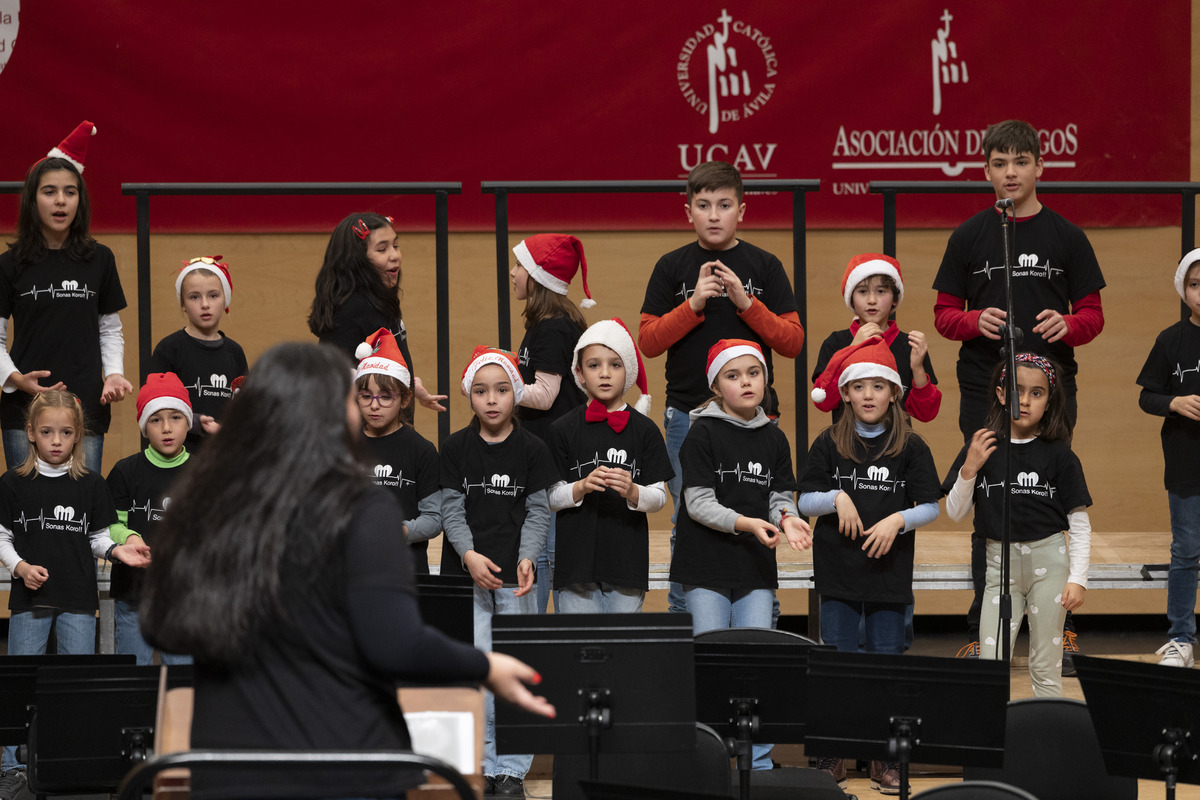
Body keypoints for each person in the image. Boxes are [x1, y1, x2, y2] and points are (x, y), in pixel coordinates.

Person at [138, 342, 554, 800]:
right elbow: (394, 643)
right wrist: (484, 664)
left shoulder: (209, 498)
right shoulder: (357, 506)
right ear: (331, 416)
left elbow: (160, 625)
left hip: (230, 769)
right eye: (351, 398)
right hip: (343, 764)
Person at [931, 120, 1105, 665]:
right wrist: (972, 320)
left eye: (1020, 162)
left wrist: (1068, 328)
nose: (1011, 173)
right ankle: (985, 627)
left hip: (1051, 385)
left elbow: (1094, 316)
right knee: (990, 494)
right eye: (1000, 164)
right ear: (986, 172)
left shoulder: (1067, 237)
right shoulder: (969, 235)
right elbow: (943, 314)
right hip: (984, 383)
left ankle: (1060, 624)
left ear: (1039, 166)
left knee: (1048, 492)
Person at [640, 160, 805, 614]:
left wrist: (746, 303)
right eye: (704, 205)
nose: (714, 215)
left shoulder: (764, 266)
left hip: (754, 423)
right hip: (688, 419)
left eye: (724, 205)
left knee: (756, 506)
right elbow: (648, 343)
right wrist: (693, 303)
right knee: (686, 517)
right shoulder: (672, 266)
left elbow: (792, 342)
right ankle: (685, 617)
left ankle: (760, 611)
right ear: (688, 211)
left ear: (742, 211)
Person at [799, 337, 941, 794]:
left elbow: (931, 506)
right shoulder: (828, 442)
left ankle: (885, 757)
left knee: (887, 668)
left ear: (895, 393)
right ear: (844, 394)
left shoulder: (911, 447)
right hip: (839, 575)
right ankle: (833, 752)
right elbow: (803, 498)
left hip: (888, 577)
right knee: (836, 667)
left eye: (878, 386)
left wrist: (898, 520)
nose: (868, 395)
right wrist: (837, 497)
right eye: (859, 387)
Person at [669, 339, 812, 772]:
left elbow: (779, 495)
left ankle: (759, 763)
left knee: (755, 667)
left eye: (753, 373)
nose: (746, 382)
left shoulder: (774, 436)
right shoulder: (702, 432)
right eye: (733, 375)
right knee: (709, 668)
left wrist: (786, 518)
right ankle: (707, 760)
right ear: (716, 387)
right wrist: (748, 524)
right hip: (705, 568)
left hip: (754, 569)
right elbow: (698, 505)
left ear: (766, 379)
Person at [0, 390, 151, 798]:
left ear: (78, 435)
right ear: (30, 433)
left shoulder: (91, 485)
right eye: (47, 431)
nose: (56, 440)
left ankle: (73, 759)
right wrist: (20, 567)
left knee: (76, 682)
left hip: (78, 602)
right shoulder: (14, 483)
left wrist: (120, 551)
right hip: (29, 603)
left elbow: (99, 537)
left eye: (65, 433)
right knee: (22, 686)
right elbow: (2, 537)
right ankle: (13, 767)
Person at [439, 347, 555, 799]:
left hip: (517, 580)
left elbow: (538, 511)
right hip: (471, 578)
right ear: (470, 395)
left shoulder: (532, 448)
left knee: (516, 674)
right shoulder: (454, 448)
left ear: (516, 394)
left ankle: (511, 771)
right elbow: (451, 509)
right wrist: (468, 555)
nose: (492, 400)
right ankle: (483, 766)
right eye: (482, 391)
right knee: (480, 673)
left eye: (502, 390)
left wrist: (527, 556)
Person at [943, 353, 1091, 697]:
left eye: (1036, 393)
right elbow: (954, 512)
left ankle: (1049, 738)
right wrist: (969, 469)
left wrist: (1077, 579)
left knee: (1046, 663)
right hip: (999, 567)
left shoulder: (1060, 455)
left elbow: (1079, 523)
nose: (1024, 400)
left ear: (1049, 401)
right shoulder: (981, 447)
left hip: (1049, 564)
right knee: (992, 662)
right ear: (1000, 394)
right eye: (1016, 390)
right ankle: (994, 741)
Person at [0, 121, 132, 473]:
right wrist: (16, 380)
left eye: (70, 192)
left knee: (81, 516)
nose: (60, 201)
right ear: (32, 199)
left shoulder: (100, 258)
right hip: (24, 410)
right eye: (49, 192)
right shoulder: (9, 264)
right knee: (26, 515)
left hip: (85, 405)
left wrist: (114, 374)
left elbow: (109, 329)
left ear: (80, 200)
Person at [545, 318, 672, 613]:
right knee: (580, 650)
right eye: (594, 365)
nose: (604, 374)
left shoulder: (645, 431)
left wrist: (632, 492)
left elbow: (660, 498)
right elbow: (550, 498)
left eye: (615, 364)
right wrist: (580, 487)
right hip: (575, 567)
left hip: (627, 565)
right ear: (579, 372)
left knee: (623, 649)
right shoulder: (562, 429)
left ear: (629, 370)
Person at [509, 233, 592, 613]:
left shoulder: (553, 326)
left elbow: (544, 395)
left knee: (550, 552)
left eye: (519, 267)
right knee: (542, 552)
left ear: (539, 277)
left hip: (555, 457)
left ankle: (550, 643)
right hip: (548, 453)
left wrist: (493, 386)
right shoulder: (547, 322)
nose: (512, 274)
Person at [308, 212, 446, 421]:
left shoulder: (380, 300)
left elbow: (379, 366)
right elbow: (338, 387)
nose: (394, 255)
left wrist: (409, 385)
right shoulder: (349, 311)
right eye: (382, 249)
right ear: (356, 261)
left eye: (395, 245)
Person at [1137, 248, 1200, 668]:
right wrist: (1174, 402)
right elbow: (1147, 396)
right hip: (1186, 463)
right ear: (1183, 289)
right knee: (1188, 549)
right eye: (1195, 284)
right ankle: (1181, 636)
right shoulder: (1170, 340)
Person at [106, 373, 196, 665]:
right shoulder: (125, 472)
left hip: (183, 595)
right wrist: (129, 537)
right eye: (155, 420)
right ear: (144, 427)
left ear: (188, 422)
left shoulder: (203, 472)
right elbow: (110, 524)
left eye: (175, 417)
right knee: (131, 677)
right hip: (134, 593)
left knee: (183, 682)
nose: (166, 428)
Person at [812, 253, 940, 424]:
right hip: (845, 445)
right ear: (851, 298)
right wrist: (851, 349)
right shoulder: (836, 342)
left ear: (894, 299)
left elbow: (926, 413)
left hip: (898, 446)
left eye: (881, 291)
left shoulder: (909, 345)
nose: (872, 300)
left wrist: (917, 367)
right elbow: (823, 401)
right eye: (863, 291)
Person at [353, 327, 441, 573]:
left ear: (405, 399)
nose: (374, 406)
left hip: (406, 574)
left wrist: (399, 531)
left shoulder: (422, 450)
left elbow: (434, 519)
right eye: (366, 396)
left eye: (385, 397)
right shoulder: (345, 447)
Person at [146, 256, 247, 453]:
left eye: (213, 295)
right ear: (182, 304)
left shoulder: (235, 352)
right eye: (194, 297)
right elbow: (153, 406)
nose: (205, 304)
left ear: (225, 299)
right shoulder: (168, 349)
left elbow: (244, 406)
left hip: (222, 456)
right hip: (178, 458)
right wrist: (193, 421)